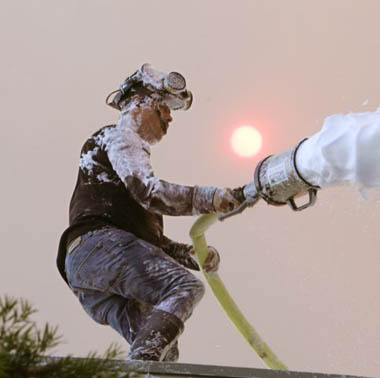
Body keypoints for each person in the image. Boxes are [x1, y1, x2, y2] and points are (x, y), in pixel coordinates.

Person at [56, 64, 242, 362]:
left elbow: (148, 243)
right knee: (183, 287)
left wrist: (190, 254)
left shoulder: (121, 175)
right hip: (100, 247)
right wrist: (209, 198)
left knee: (164, 352)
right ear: (137, 103)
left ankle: (144, 366)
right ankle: (139, 367)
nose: (169, 117)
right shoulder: (118, 138)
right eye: (163, 108)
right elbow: (150, 192)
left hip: (86, 268)